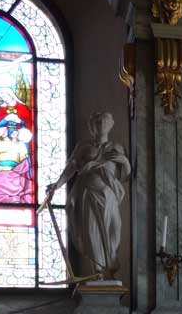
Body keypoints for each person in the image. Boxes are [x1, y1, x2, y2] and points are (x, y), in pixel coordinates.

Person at [49, 112, 131, 281]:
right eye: (97, 123)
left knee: (114, 232)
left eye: (104, 122)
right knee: (92, 233)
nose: (101, 125)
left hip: (109, 195)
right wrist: (57, 185)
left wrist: (124, 161)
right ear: (92, 127)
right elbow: (71, 169)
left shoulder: (116, 147)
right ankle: (98, 273)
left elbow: (126, 175)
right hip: (88, 194)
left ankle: (112, 265)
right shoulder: (83, 147)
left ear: (110, 125)